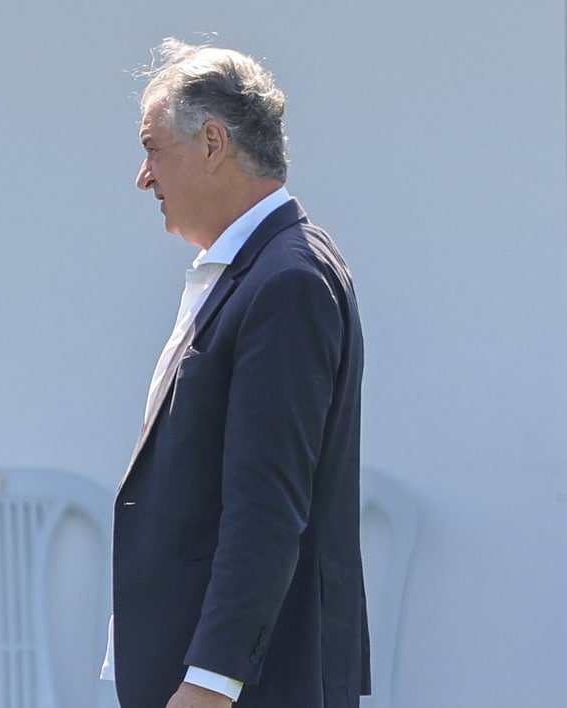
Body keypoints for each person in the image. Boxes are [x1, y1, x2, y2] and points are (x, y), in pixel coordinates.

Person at [110, 40, 370, 707]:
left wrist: (210, 682)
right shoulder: (259, 268)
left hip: (243, 687)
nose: (143, 176)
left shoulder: (286, 280)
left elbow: (266, 507)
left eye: (152, 148)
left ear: (212, 142)